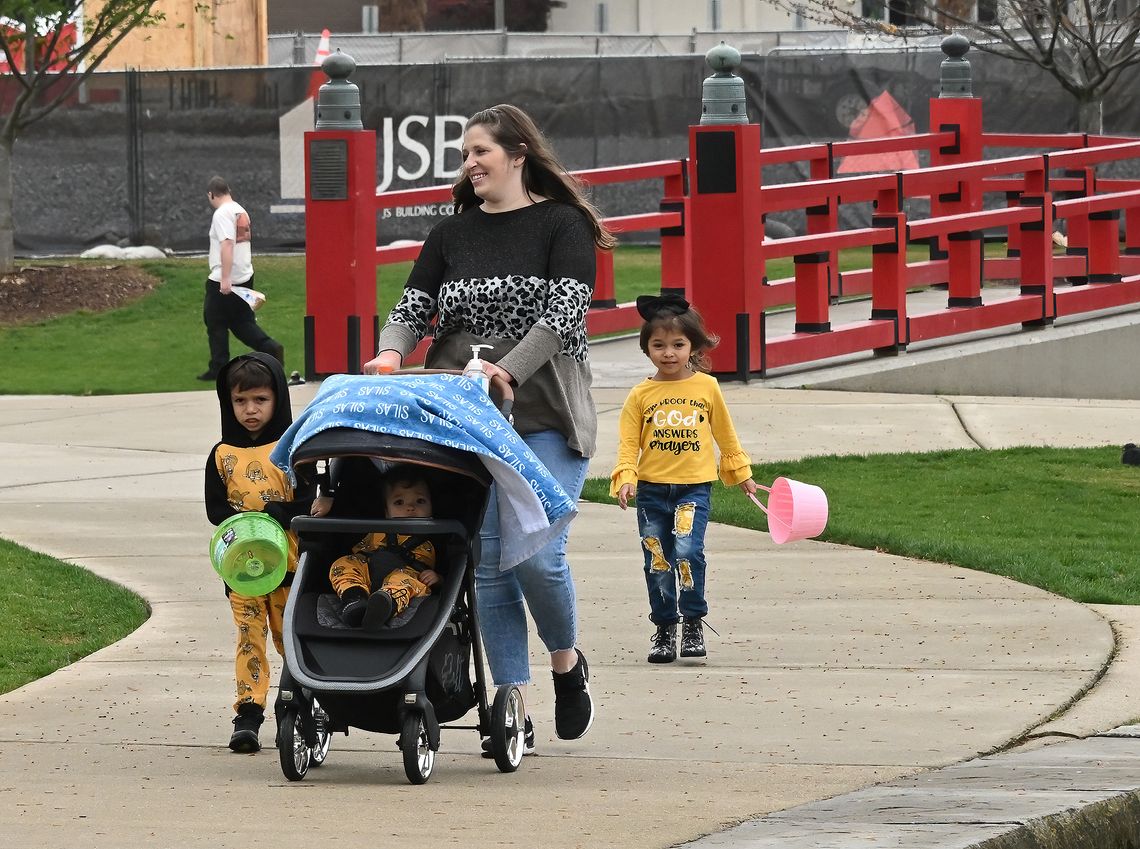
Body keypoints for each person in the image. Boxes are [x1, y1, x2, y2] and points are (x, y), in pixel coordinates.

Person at [363, 103, 615, 749]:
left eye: (481, 151)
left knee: (538, 554)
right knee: (491, 565)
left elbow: (562, 316)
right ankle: (512, 702)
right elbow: (411, 307)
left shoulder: (563, 225)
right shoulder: (453, 234)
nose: (470, 163)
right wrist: (391, 352)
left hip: (544, 415)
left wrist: (508, 368)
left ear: (518, 155)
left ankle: (566, 661)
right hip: (465, 419)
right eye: (466, 154)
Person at [610, 294, 759, 664]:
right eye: (658, 345)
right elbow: (628, 445)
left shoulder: (707, 388)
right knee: (658, 559)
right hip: (651, 493)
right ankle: (664, 628)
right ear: (646, 349)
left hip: (694, 489)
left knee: (687, 552)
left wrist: (742, 474)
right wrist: (626, 477)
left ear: (692, 346)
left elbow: (726, 434)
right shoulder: (640, 394)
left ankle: (693, 620)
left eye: (678, 344)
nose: (669, 353)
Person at [204, 352, 316, 752]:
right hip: (243, 570)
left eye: (260, 400)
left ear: (278, 399)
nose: (250, 410)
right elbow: (215, 510)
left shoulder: (291, 448)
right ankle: (248, 714)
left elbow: (308, 501)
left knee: (290, 640)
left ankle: (300, 700)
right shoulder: (220, 455)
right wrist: (244, 518)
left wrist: (279, 512)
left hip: (287, 566)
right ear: (227, 403)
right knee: (249, 637)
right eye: (240, 401)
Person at [329, 468, 442, 629]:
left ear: (432, 505)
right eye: (399, 502)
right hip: (369, 572)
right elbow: (359, 553)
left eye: (420, 501)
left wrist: (438, 579)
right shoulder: (377, 530)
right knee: (343, 563)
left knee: (404, 582)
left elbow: (448, 571)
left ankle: (385, 605)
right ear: (386, 512)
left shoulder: (436, 536)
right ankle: (354, 598)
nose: (410, 507)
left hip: (408, 576)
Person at [198, 176, 284, 382]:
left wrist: (225, 279)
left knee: (215, 322)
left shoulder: (221, 214)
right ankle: (270, 348)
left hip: (225, 277)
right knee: (242, 323)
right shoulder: (240, 210)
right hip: (245, 275)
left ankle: (218, 368)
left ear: (211, 194)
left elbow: (227, 243)